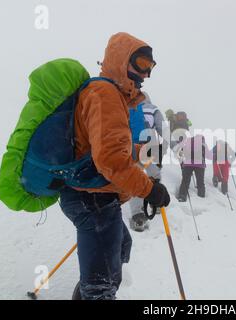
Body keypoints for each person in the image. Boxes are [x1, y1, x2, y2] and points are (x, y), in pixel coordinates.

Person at [59, 32, 170, 300]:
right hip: (91, 199)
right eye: (141, 63)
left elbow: (104, 148)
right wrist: (149, 189)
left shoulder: (112, 96)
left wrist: (136, 153)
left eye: (150, 67)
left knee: (120, 247)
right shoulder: (105, 94)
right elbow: (109, 160)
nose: (145, 74)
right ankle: (92, 290)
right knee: (102, 286)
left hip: (95, 196)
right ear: (121, 60)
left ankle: (88, 288)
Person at [128, 92, 170, 232]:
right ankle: (156, 203)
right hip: (149, 147)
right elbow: (164, 130)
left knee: (134, 178)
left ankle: (138, 215)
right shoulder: (153, 109)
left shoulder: (127, 106)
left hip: (132, 147)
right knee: (155, 175)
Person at [176, 130, 213, 202]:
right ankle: (201, 196)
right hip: (200, 165)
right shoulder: (203, 143)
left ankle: (182, 196)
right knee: (200, 182)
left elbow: (181, 150)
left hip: (188, 164)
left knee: (185, 181)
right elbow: (209, 156)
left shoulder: (188, 141)